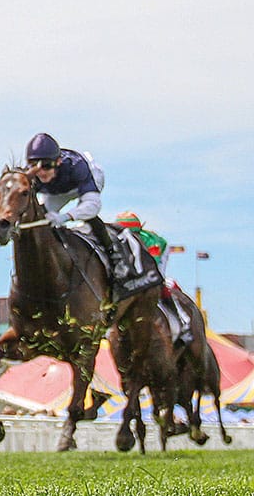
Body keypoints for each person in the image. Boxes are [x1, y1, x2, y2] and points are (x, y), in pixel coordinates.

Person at [25, 133, 128, 277]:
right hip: (57, 189)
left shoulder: (77, 167)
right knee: (43, 218)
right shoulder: (30, 176)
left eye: (46, 166)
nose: (41, 172)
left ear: (58, 161)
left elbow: (93, 206)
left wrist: (66, 217)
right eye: (35, 167)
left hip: (87, 180)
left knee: (88, 216)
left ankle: (114, 254)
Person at [116, 211, 193, 343]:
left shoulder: (151, 242)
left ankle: (183, 320)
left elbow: (152, 268)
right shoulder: (117, 240)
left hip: (159, 257)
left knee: (157, 282)